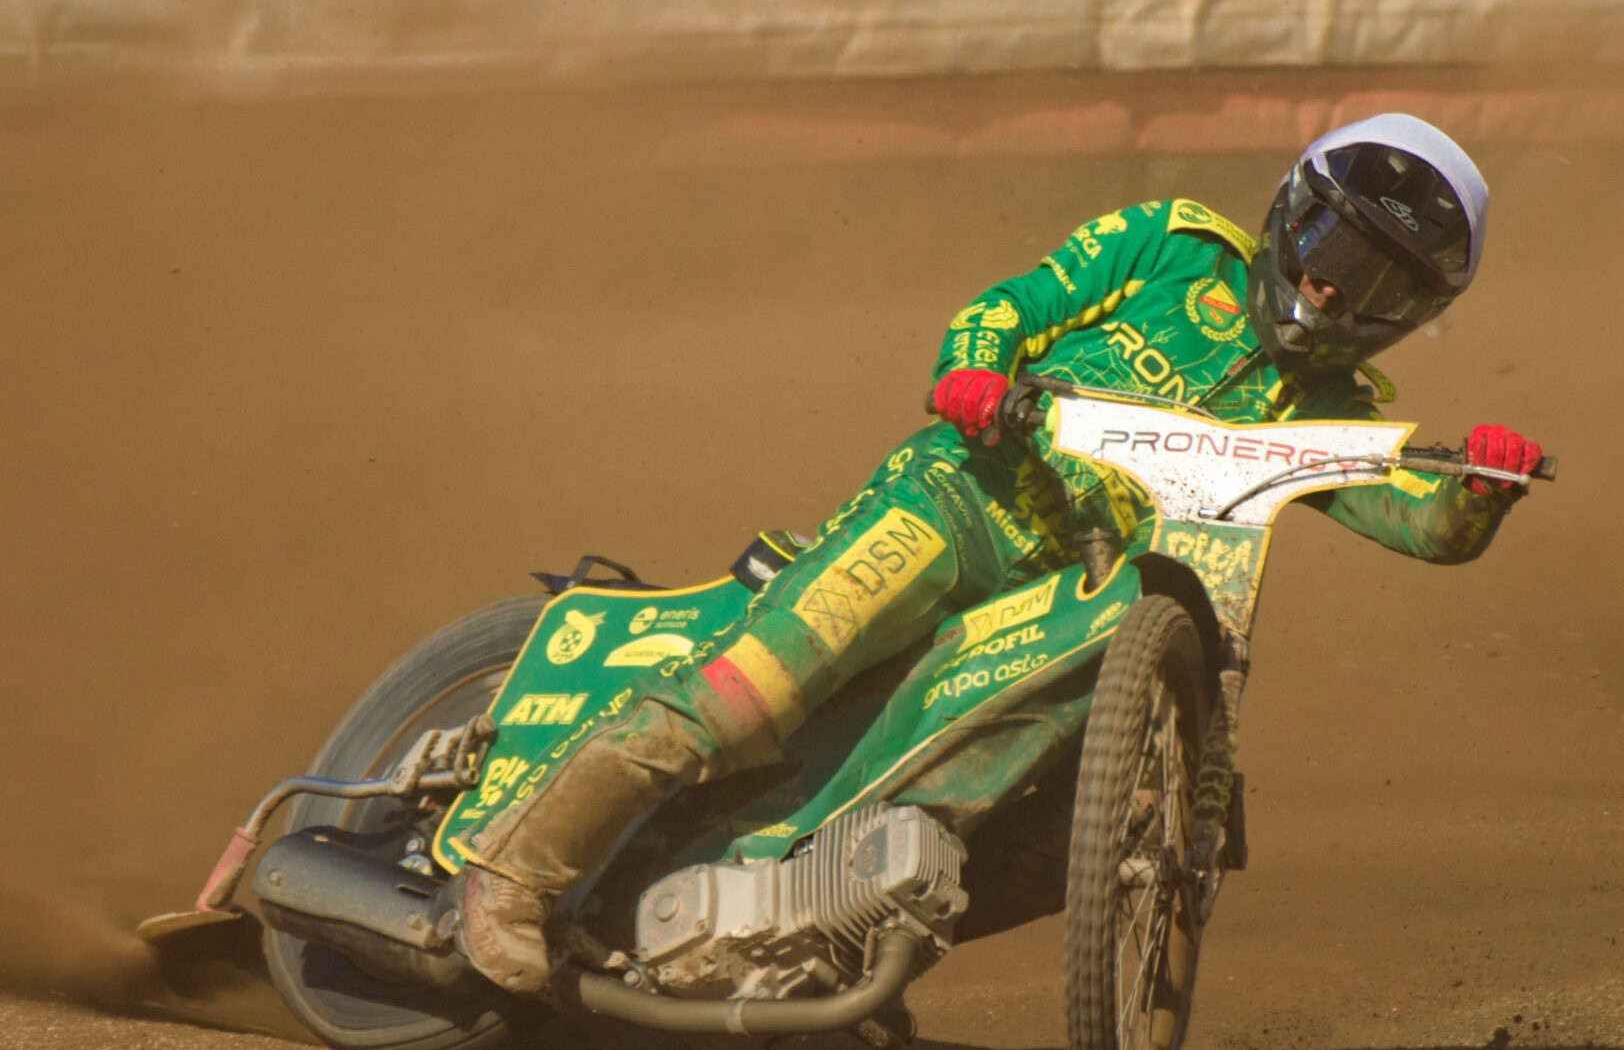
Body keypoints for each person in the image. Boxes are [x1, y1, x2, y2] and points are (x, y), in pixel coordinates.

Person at [455, 112, 1543, 997]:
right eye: (1337, 253)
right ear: (1292, 216)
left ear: (1417, 314)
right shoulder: (1170, 246)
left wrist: (1477, 493)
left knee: (1069, 814)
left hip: (1070, 593)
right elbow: (1010, 308)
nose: (1336, 293)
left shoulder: (1331, 412)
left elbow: (1419, 522)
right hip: (954, 499)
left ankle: (826, 929)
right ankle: (511, 877)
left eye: (1384, 285)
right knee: (755, 690)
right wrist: (972, 372)